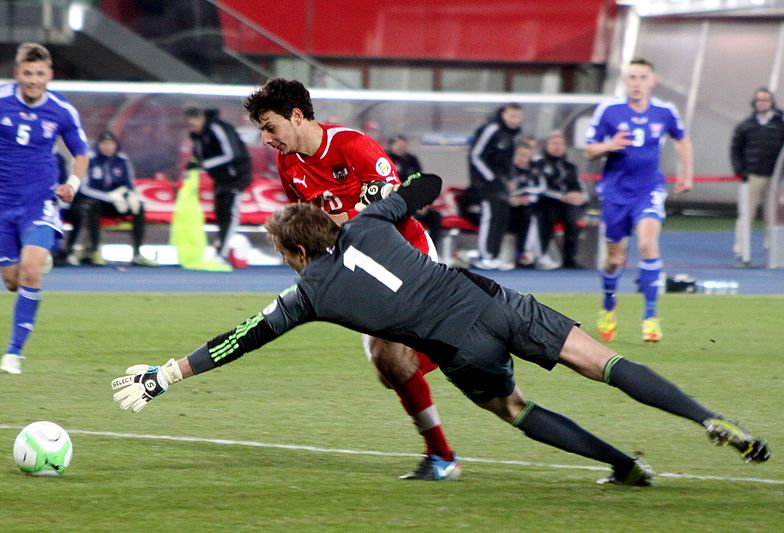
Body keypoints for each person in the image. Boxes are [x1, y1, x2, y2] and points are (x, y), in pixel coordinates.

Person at [111, 173, 770, 486]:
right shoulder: (368, 224)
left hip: (460, 347)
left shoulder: (308, 291)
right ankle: (706, 417)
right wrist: (398, 191)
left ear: (297, 254)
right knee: (601, 359)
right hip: (491, 299)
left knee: (515, 407)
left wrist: (163, 375)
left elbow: (237, 340)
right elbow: (424, 187)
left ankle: (626, 465)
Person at [242, 78, 459, 481]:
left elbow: (396, 207)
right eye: (261, 131)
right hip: (358, 265)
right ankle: (456, 349)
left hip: (403, 254)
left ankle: (442, 456)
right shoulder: (288, 163)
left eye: (270, 126)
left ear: (296, 116)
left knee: (394, 359)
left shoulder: (352, 146)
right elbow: (309, 227)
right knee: (388, 368)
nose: (267, 138)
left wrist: (339, 221)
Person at [0, 42, 89, 374]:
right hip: (1, 203)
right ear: (17, 73)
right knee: (12, 280)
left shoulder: (61, 110)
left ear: (49, 75)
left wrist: (72, 185)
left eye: (39, 74)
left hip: (40, 201)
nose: (33, 80)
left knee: (30, 269)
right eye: (27, 73)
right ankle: (35, 257)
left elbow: (81, 154)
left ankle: (13, 353)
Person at [584, 58, 693, 343]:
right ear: (625, 80)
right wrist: (609, 145)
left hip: (649, 189)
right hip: (615, 193)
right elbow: (588, 150)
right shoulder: (609, 110)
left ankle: (650, 316)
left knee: (647, 243)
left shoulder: (664, 111)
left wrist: (686, 174)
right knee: (614, 259)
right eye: (632, 77)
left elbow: (682, 140)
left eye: (642, 77)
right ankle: (609, 304)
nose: (637, 82)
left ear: (652, 81)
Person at [63, 130, 158, 266]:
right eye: (104, 143)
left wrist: (130, 196)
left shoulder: (122, 161)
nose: (108, 147)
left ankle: (137, 253)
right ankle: (95, 250)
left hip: (117, 203)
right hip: (95, 202)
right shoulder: (91, 160)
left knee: (139, 207)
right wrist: (108, 197)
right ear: (99, 145)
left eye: (110, 143)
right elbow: (84, 188)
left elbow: (129, 184)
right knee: (93, 207)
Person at [183, 104, 252, 262]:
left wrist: (203, 164)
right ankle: (220, 247)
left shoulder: (217, 128)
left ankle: (222, 253)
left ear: (201, 119)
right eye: (189, 126)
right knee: (220, 212)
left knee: (229, 213)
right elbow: (199, 155)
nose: (192, 129)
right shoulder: (198, 135)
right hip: (220, 179)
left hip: (236, 177)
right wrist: (194, 164)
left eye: (193, 124)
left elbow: (231, 154)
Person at [730, 87, 784, 267]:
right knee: (746, 215)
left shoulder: (780, 124)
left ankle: (773, 251)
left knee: (774, 217)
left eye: (766, 100)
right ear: (754, 103)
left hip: (775, 179)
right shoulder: (746, 125)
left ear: (772, 103)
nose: (762, 103)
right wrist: (740, 171)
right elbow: (735, 149)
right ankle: (741, 252)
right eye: (759, 100)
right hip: (752, 177)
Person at [468, 103, 524, 270]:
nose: (515, 120)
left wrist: (510, 178)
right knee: (490, 217)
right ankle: (484, 256)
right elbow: (475, 155)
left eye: (518, 116)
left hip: (502, 184)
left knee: (502, 217)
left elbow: (508, 162)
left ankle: (494, 255)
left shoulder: (513, 135)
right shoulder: (491, 129)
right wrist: (491, 178)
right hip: (486, 184)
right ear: (503, 114)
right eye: (512, 116)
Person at [534, 131, 587, 270]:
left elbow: (578, 185)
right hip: (546, 202)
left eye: (561, 144)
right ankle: (541, 255)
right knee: (546, 213)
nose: (557, 147)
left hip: (567, 204)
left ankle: (570, 259)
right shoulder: (538, 163)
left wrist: (579, 197)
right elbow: (540, 188)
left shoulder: (569, 166)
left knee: (574, 218)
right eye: (554, 144)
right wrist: (562, 197)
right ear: (547, 145)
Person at [386, 134, 442, 245]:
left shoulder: (412, 160)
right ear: (391, 145)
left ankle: (430, 249)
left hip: (413, 203)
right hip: (394, 202)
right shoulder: (386, 159)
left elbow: (420, 182)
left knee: (435, 216)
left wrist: (423, 203)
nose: (400, 147)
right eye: (397, 145)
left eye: (402, 145)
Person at [505, 140, 543, 267]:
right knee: (528, 214)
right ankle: (525, 253)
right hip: (507, 212)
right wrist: (515, 197)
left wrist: (524, 195)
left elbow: (541, 188)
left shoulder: (533, 172)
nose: (523, 159)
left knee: (534, 213)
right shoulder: (507, 171)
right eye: (520, 155)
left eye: (526, 156)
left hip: (526, 209)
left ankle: (529, 254)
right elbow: (503, 193)